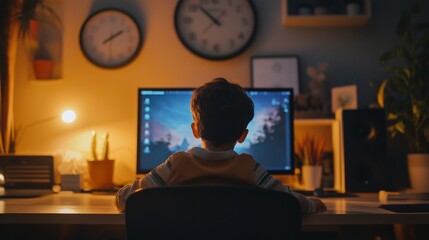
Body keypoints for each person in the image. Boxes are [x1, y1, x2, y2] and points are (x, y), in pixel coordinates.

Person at [116, 78, 327, 213]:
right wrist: (311, 203)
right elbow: (287, 201)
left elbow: (132, 200)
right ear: (243, 136)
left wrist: (121, 194)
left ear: (195, 130)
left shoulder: (175, 164)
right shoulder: (250, 168)